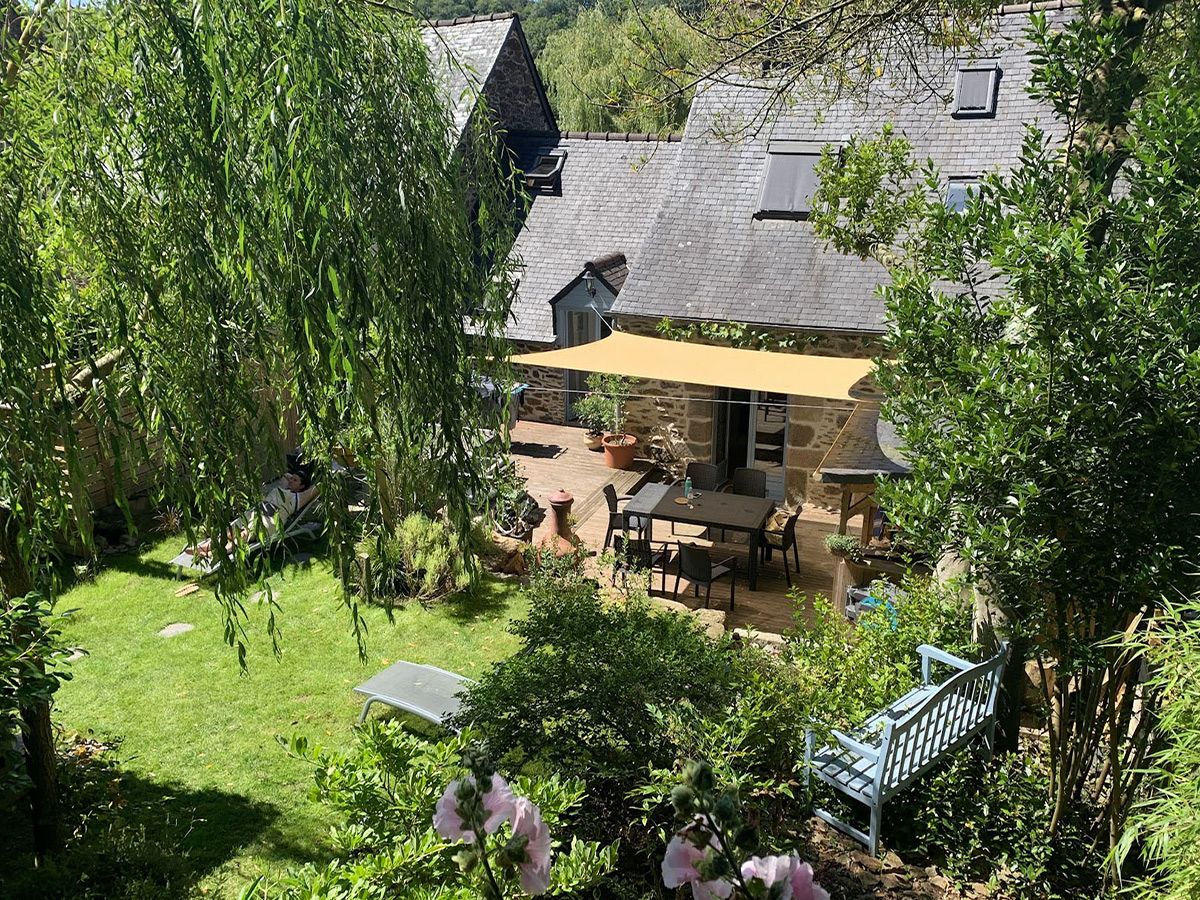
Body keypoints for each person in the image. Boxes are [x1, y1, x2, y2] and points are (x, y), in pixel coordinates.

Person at [189, 470, 320, 559]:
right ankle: (206, 546)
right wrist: (294, 477)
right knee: (231, 529)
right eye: (291, 478)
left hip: (270, 520)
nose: (290, 480)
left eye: (295, 480)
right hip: (256, 513)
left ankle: (216, 554)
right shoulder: (282, 488)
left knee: (244, 534)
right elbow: (285, 475)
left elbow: (315, 489)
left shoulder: (296, 498)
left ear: (301, 486)